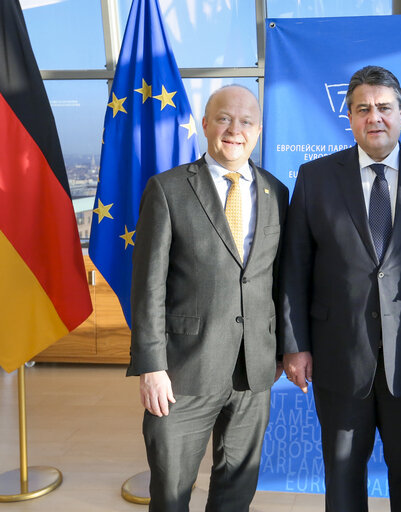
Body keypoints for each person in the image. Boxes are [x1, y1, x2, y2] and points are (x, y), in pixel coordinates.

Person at [279, 65, 401, 512]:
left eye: (383, 107)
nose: (374, 117)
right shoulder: (314, 177)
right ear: (350, 117)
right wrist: (295, 346)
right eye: (363, 109)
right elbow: (295, 268)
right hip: (338, 358)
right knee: (343, 479)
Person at [127, 84, 288, 512]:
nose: (235, 129)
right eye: (224, 118)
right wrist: (152, 366)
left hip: (254, 373)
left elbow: (278, 279)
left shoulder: (277, 192)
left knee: (236, 492)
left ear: (258, 131)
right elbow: (147, 286)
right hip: (182, 373)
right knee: (172, 493)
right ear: (205, 125)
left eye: (246, 121)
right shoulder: (168, 189)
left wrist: (280, 351)